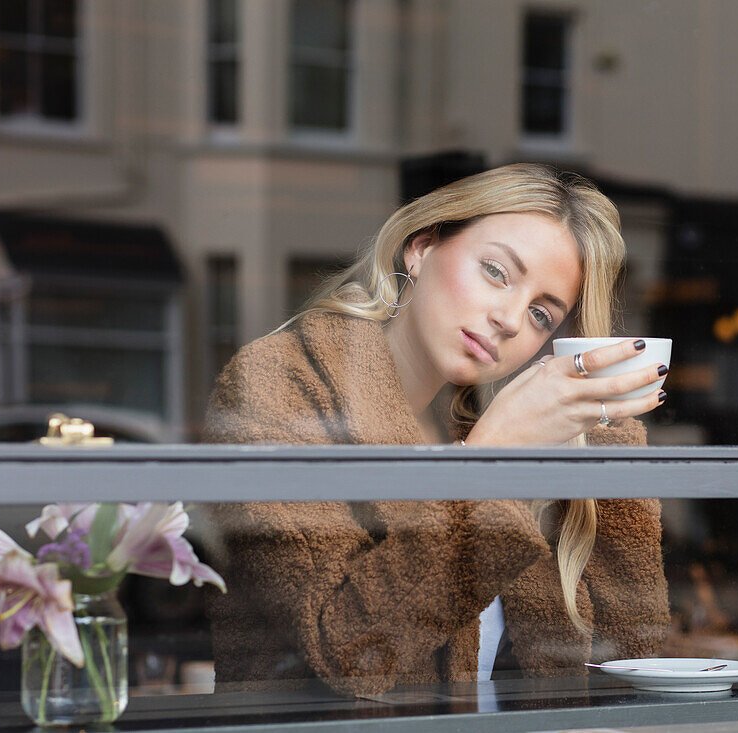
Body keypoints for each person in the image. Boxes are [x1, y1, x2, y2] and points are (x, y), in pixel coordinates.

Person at [204, 163, 670, 697]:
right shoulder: (278, 386)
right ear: (421, 248)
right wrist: (488, 461)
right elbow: (353, 657)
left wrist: (603, 435)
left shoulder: (491, 427)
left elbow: (632, 656)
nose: (512, 320)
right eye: (496, 272)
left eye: (543, 314)